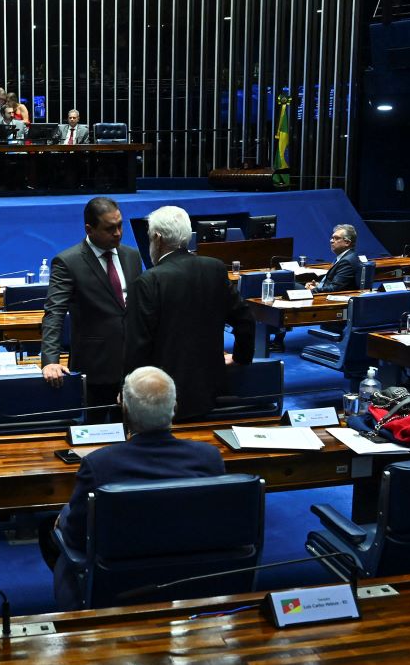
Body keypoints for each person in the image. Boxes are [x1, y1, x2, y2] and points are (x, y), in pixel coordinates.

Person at [44, 366, 225, 609]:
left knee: (50, 530)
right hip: (191, 581)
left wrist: (62, 518)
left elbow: (76, 536)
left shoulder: (99, 465)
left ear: (124, 410)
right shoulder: (209, 458)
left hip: (117, 589)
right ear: (174, 408)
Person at [123, 205, 255, 421]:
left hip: (161, 396)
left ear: (157, 238)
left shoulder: (149, 281)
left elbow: (137, 344)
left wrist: (127, 389)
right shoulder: (215, 269)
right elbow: (245, 319)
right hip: (211, 389)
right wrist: (241, 357)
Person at [41, 197, 143, 419]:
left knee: (132, 433)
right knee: (96, 433)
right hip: (95, 366)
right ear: (89, 228)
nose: (117, 233)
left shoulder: (132, 256)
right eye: (109, 228)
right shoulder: (68, 262)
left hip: (133, 365)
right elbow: (54, 312)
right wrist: (50, 361)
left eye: (120, 225)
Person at [305, 223, 362, 292]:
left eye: (336, 238)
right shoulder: (346, 256)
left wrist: (313, 290)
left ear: (347, 242)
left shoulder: (347, 262)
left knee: (292, 287)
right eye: (332, 238)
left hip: (329, 299)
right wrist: (318, 285)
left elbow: (334, 289)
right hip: (325, 293)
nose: (331, 241)